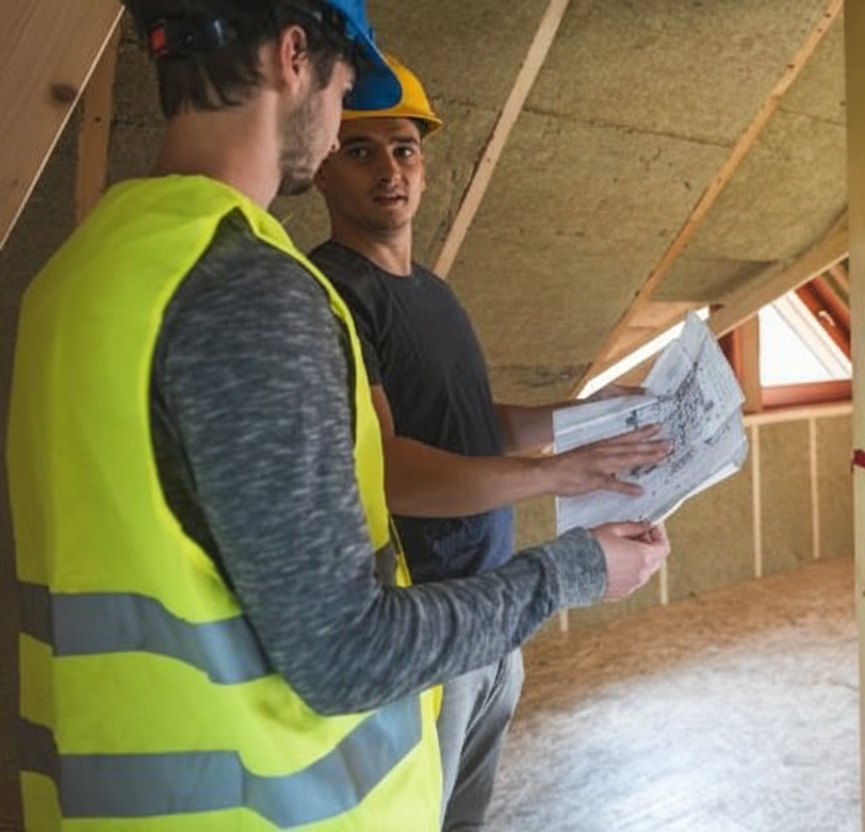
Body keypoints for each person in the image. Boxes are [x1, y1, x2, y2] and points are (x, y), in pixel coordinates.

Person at [6, 2, 669, 830]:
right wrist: (574, 572)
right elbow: (346, 655)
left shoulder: (78, 272)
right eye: (346, 82)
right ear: (294, 57)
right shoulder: (250, 293)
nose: (343, 117)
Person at [309, 55, 671, 830]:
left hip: (492, 606)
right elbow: (391, 471)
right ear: (321, 171)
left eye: (405, 149)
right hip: (421, 618)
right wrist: (554, 477)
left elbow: (477, 424)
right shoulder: (334, 292)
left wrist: (581, 420)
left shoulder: (431, 292)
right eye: (360, 150)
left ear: (427, 169)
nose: (389, 170)